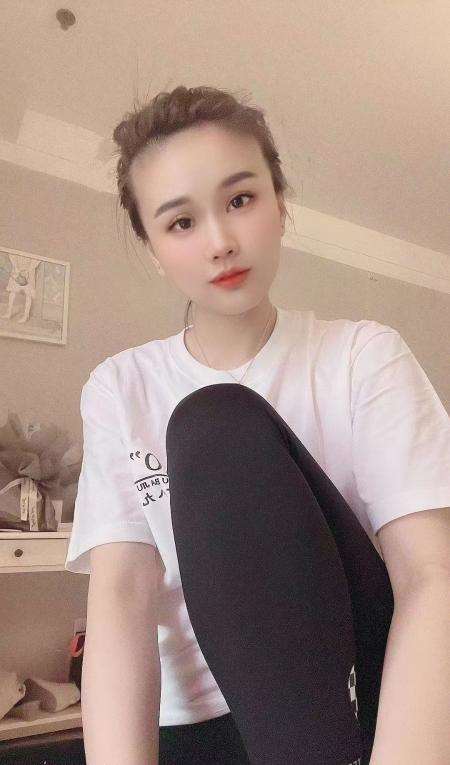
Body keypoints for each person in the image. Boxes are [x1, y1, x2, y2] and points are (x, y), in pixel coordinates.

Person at [64, 85, 450, 765]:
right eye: (181, 223)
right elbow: (123, 596)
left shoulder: (363, 356)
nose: (220, 242)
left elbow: (431, 573)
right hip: (200, 725)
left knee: (215, 427)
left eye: (241, 200)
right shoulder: (121, 388)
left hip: (355, 703)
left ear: (281, 203)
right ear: (153, 248)